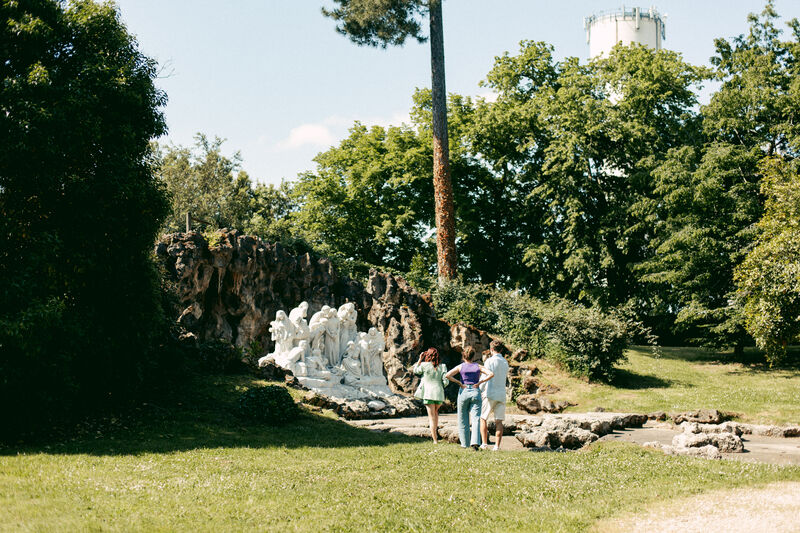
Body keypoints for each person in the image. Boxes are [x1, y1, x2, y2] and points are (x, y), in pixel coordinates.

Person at [446, 346, 493, 450]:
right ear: (473, 356)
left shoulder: (460, 366)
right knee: (476, 418)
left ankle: (464, 444)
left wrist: (459, 383)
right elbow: (491, 373)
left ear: (463, 356)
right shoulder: (478, 366)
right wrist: (480, 382)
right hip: (476, 391)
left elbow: (448, 375)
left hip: (464, 391)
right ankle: (475, 443)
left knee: (463, 418)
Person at [412, 348, 448, 444]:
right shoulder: (443, 366)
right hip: (439, 393)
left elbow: (415, 370)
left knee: (431, 417)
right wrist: (441, 385)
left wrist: (420, 359)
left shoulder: (424, 365)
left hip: (428, 394)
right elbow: (446, 381)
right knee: (436, 413)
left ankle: (435, 440)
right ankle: (436, 435)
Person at [479, 340, 510, 451]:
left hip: (490, 392)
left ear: (491, 349)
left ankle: (484, 443)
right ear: (501, 350)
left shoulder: (489, 361)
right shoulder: (505, 362)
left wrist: (479, 389)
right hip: (501, 393)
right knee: (499, 421)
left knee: (483, 418)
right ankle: (497, 446)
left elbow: (484, 377)